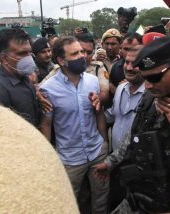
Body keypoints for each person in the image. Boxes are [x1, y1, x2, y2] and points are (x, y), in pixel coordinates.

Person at [94, 36, 170, 213]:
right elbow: (134, 135)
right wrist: (110, 162)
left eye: (155, 77)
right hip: (140, 197)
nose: (148, 85)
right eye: (145, 78)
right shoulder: (150, 98)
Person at [39, 36, 109, 213]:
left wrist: (104, 143)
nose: (82, 56)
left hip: (96, 152)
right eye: (75, 53)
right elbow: (47, 124)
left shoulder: (93, 81)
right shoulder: (49, 88)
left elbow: (98, 113)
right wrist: (48, 157)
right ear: (61, 60)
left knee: (101, 201)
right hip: (69, 158)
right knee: (68, 203)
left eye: (83, 52)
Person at [0, 28, 40, 127]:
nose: (29, 58)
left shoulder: (24, 78)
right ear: (4, 58)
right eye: (22, 53)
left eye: (29, 52)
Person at [105, 45, 145, 151]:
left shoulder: (152, 95)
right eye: (127, 62)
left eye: (135, 64)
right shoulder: (120, 88)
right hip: (115, 158)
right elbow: (113, 115)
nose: (129, 68)